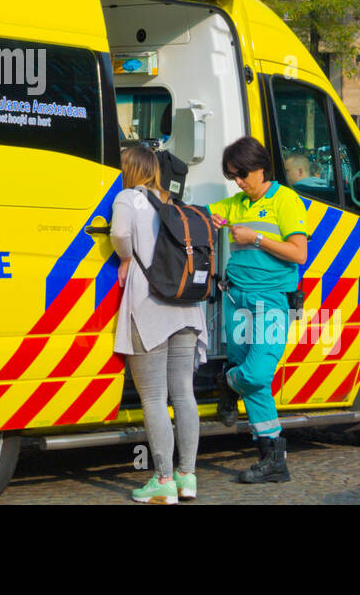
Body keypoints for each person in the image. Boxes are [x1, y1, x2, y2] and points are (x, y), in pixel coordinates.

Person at [208, 136, 309, 484]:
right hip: (236, 301)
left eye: (242, 174)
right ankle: (272, 459)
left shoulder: (286, 201)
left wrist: (256, 238)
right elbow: (197, 215)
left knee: (255, 375)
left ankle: (227, 382)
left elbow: (299, 254)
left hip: (271, 303)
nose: (238, 181)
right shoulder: (234, 204)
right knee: (256, 386)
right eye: (233, 176)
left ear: (260, 167)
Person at [111, 145, 208, 504]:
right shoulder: (175, 202)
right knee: (183, 392)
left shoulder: (127, 198)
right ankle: (188, 477)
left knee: (153, 397)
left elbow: (121, 235)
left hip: (149, 305)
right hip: (186, 307)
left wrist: (124, 258)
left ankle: (163, 480)